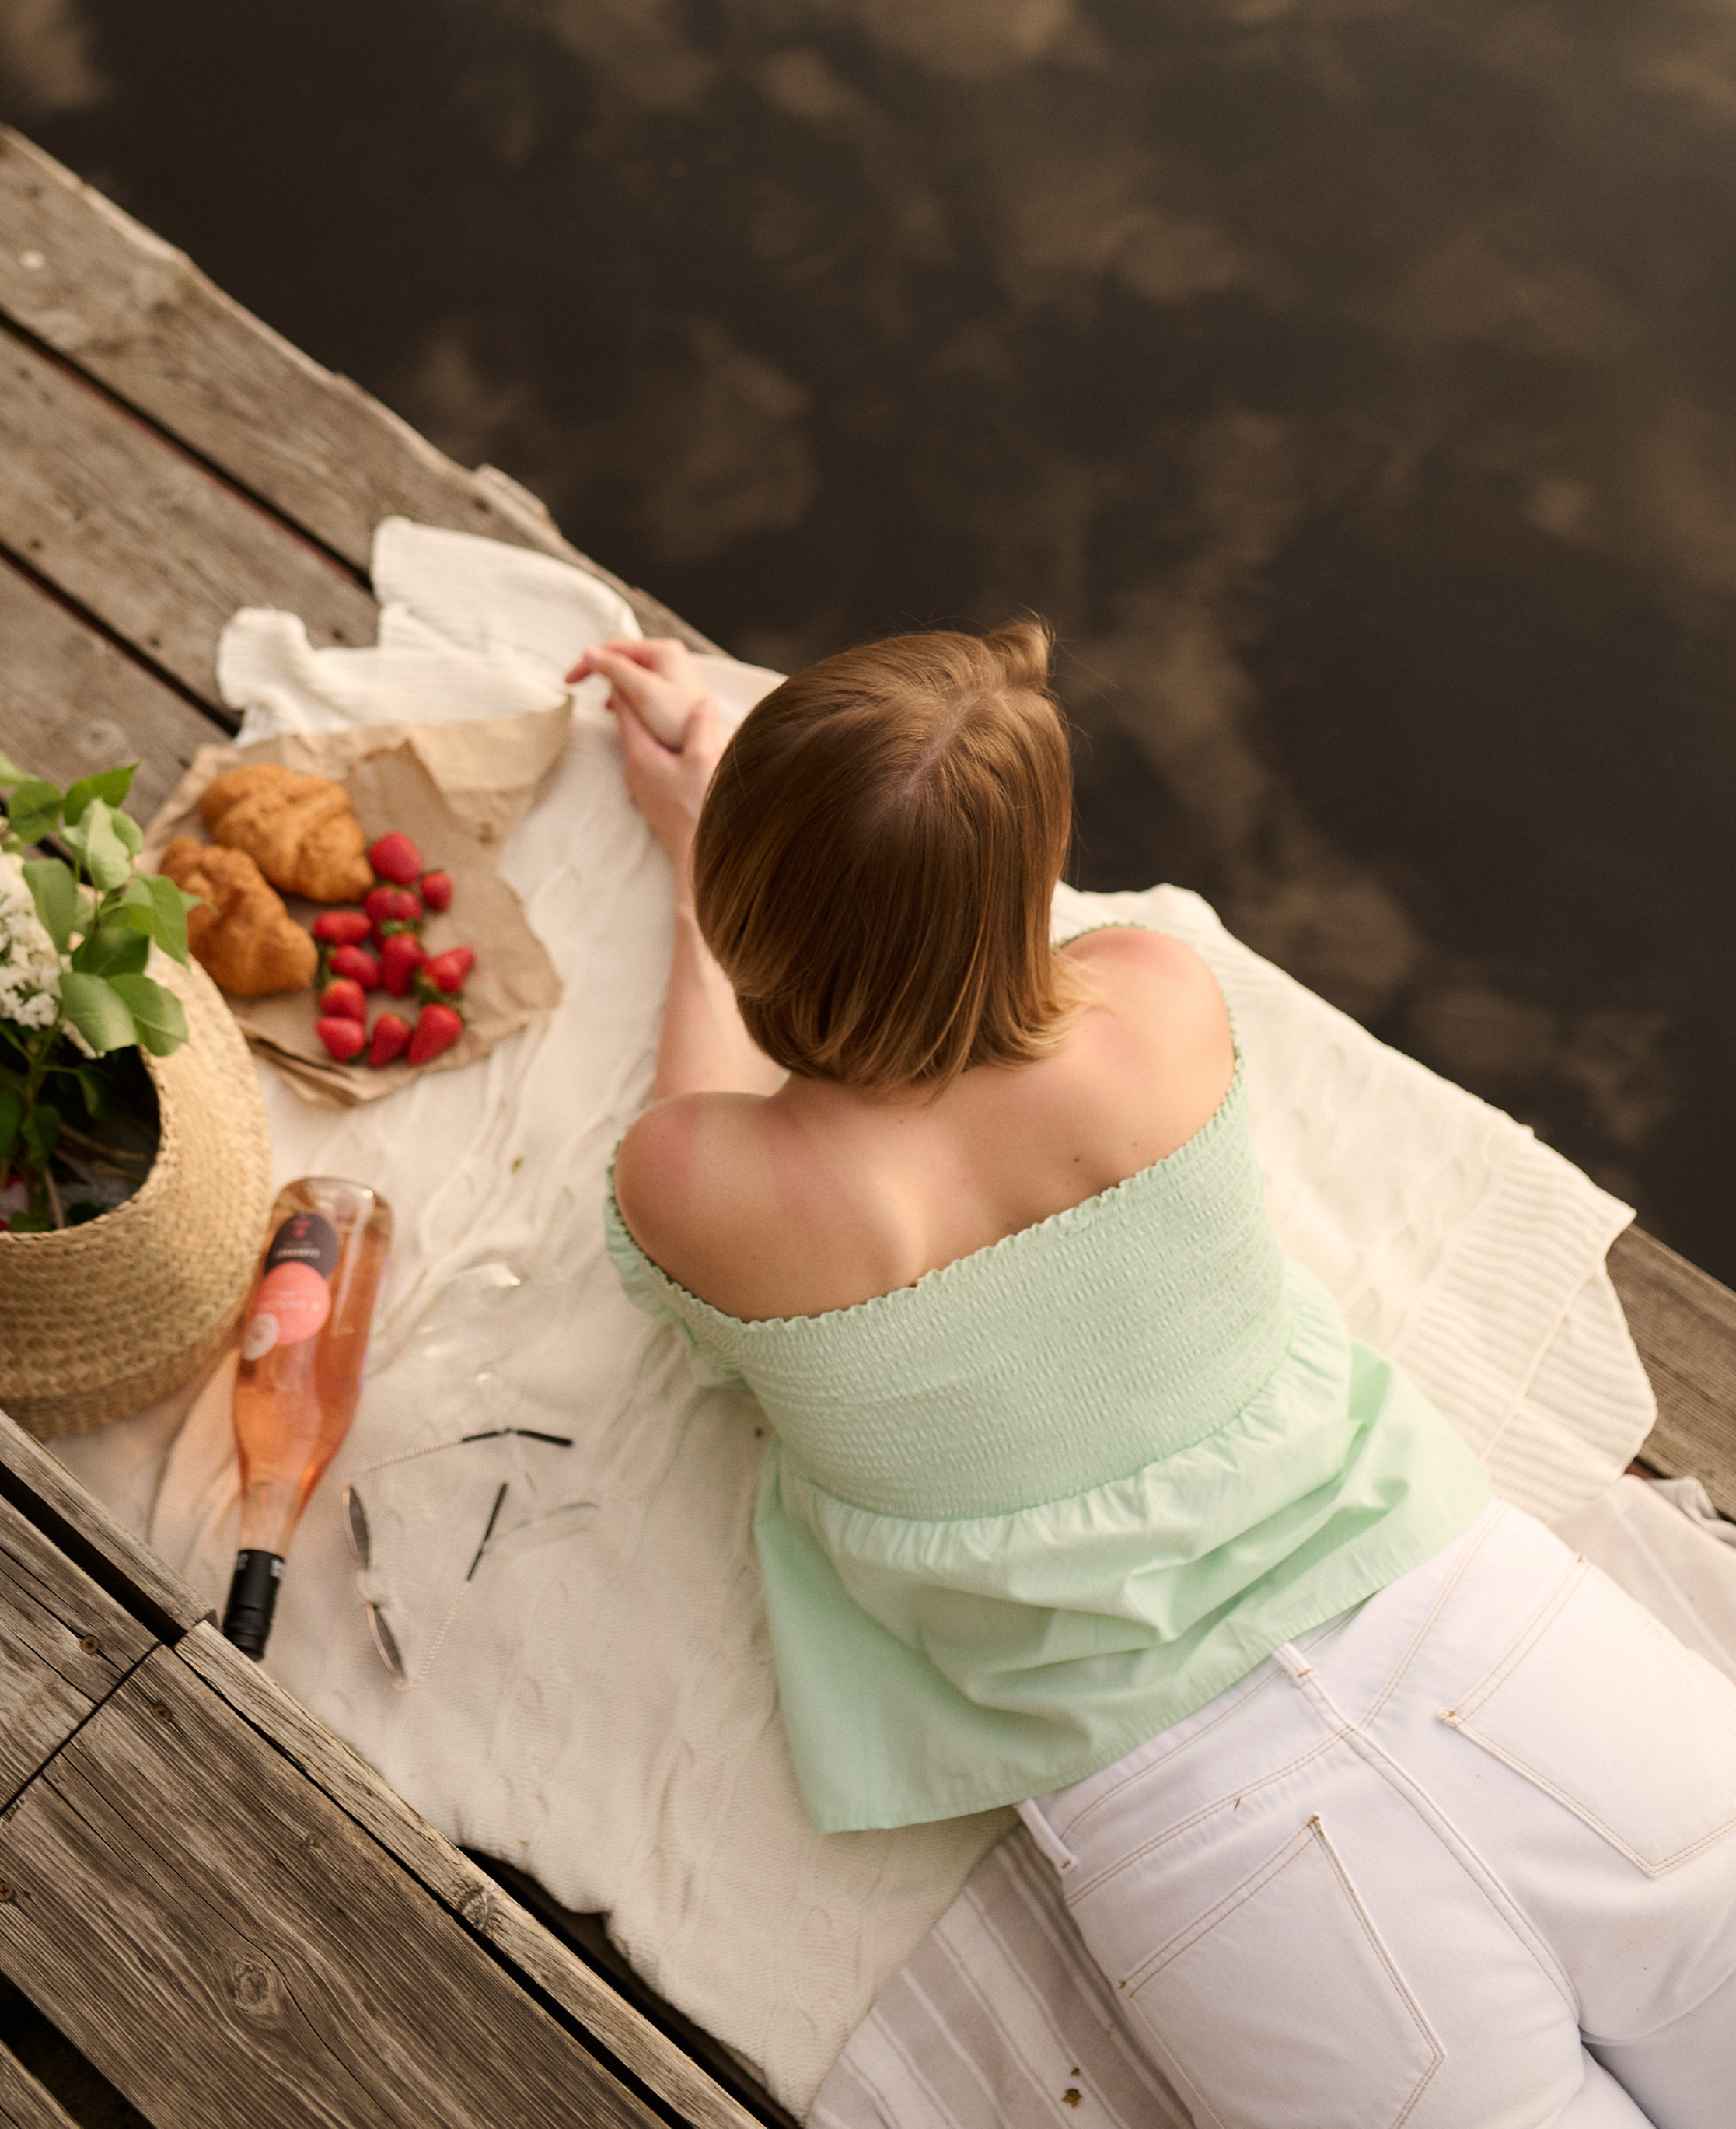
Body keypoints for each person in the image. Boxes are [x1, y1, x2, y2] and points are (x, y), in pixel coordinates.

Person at [566, 621, 1736, 2129]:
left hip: (1205, 1828)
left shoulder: (706, 1191)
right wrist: (812, 831)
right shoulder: (1158, 998)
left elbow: (729, 1087)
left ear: (751, 923)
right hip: (1494, 1638)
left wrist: (699, 855)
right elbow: (983, 948)